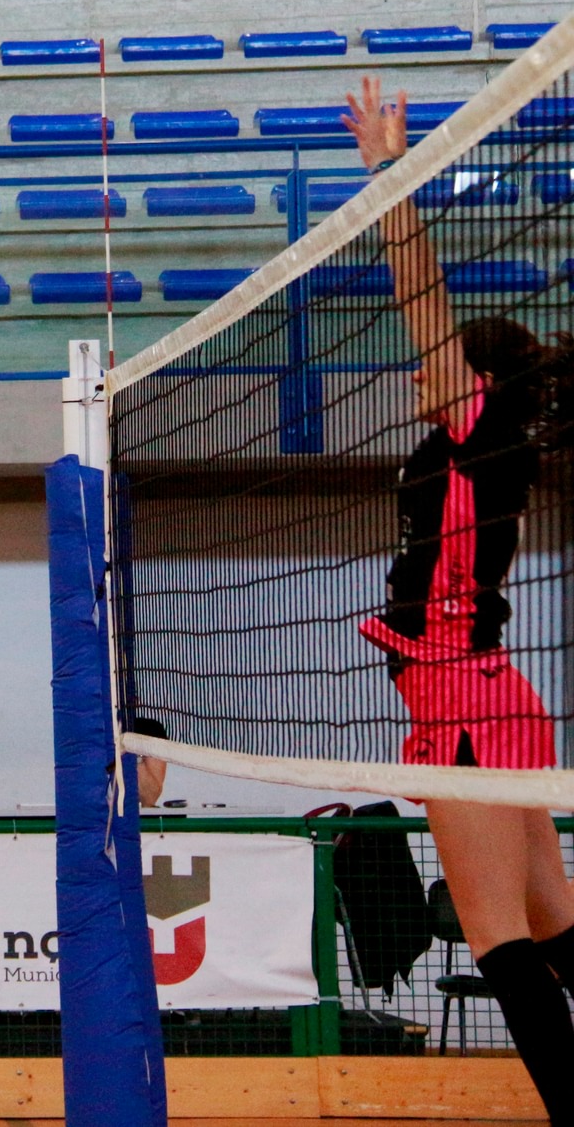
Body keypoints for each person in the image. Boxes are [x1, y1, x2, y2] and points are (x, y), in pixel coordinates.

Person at [344, 76, 574, 1122]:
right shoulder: (475, 455)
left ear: (468, 383)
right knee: (553, 921)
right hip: (493, 694)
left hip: (457, 701)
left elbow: (418, 300)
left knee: (498, 939)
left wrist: (388, 177)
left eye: (432, 372)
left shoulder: (476, 434)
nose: (410, 381)